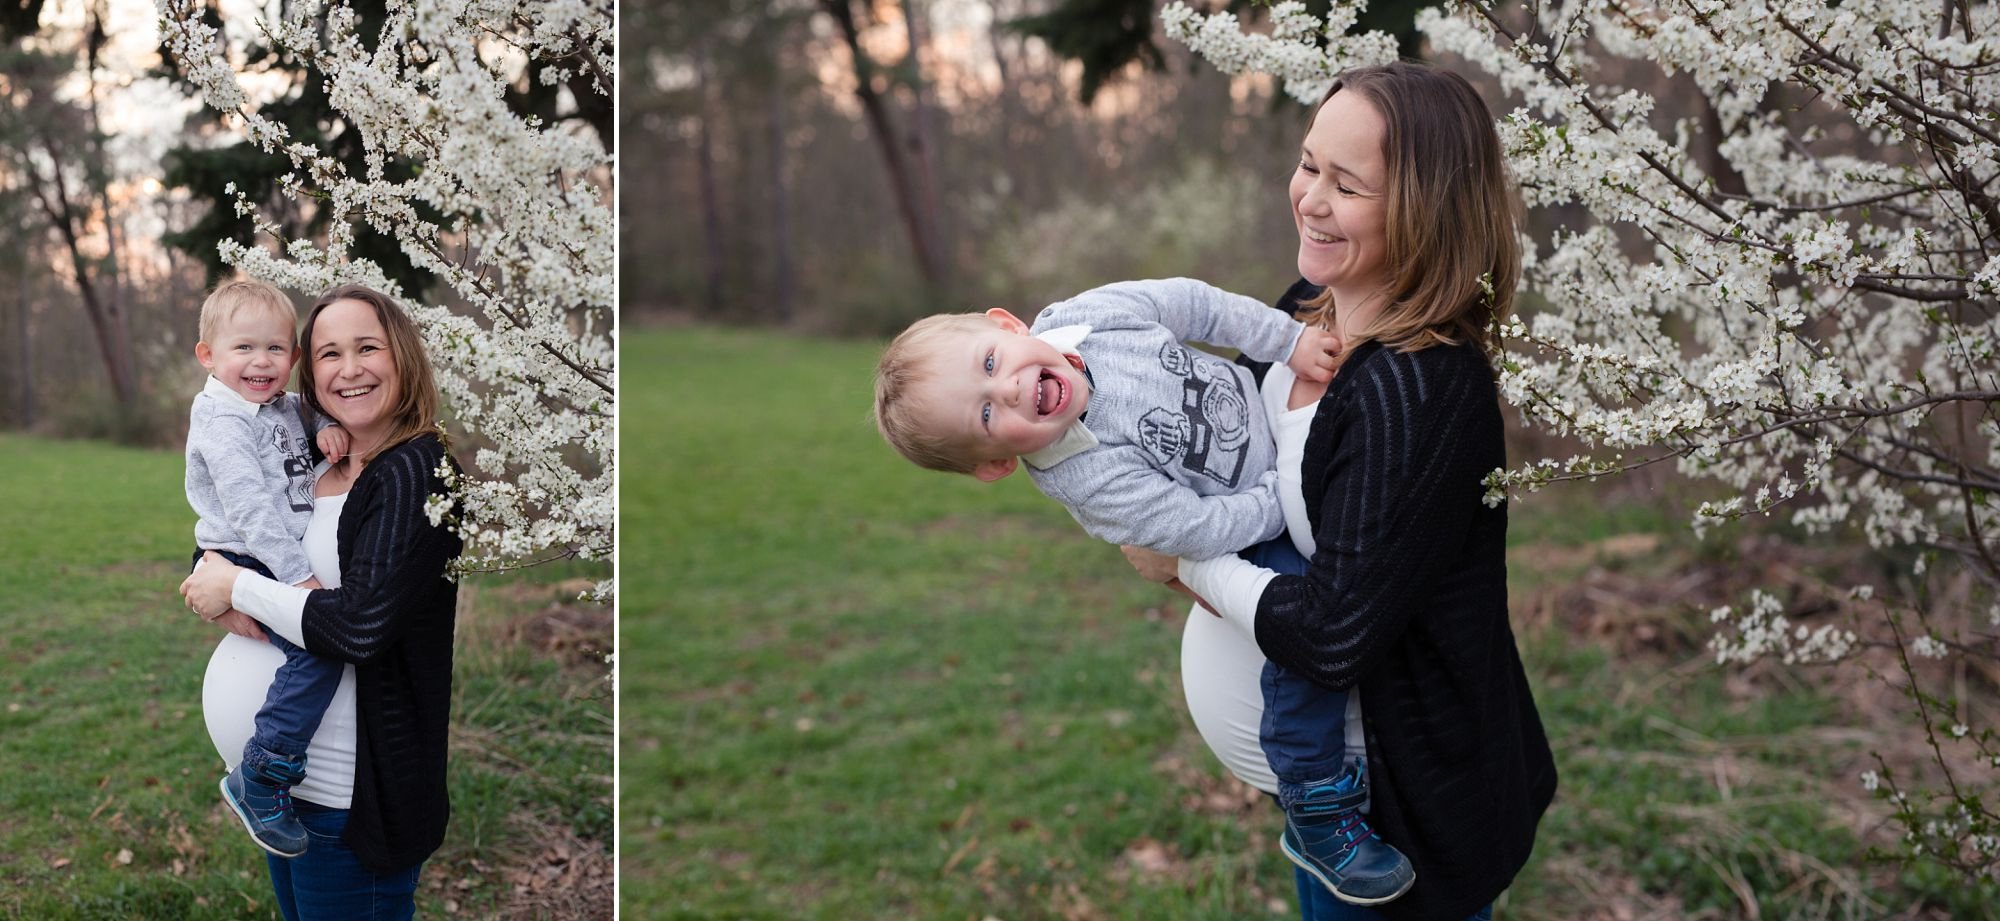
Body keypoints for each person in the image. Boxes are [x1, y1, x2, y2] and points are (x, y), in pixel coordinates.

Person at [1121, 62, 1558, 921]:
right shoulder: (1306, 310)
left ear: (1424, 210)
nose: (1310, 197)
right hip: (1321, 803)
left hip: (1392, 816)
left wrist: (1181, 557)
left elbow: (1333, 634)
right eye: (1308, 163)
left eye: (1346, 183)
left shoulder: (1422, 390)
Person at [872, 278, 1417, 904]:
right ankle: (1316, 800)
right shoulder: (1084, 476)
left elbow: (1196, 305)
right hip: (1247, 520)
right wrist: (1289, 495)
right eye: (988, 413)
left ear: (1007, 324)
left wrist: (1288, 341)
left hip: (1262, 409)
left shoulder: (1089, 317)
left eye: (991, 364)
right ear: (996, 464)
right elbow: (1197, 528)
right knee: (1301, 633)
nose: (1010, 388)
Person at [181, 283, 462, 921]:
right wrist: (207, 572)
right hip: (287, 799)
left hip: (348, 796)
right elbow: (241, 520)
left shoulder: (419, 470)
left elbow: (358, 629)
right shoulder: (312, 450)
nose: (349, 368)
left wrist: (239, 587)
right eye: (330, 353)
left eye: (368, 347)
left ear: (404, 357)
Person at [184, 279, 350, 858]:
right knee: (318, 648)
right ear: (209, 355)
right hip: (253, 552)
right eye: (244, 349)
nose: (262, 362)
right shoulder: (222, 420)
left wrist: (322, 424)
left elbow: (294, 418)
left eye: (276, 349)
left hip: (260, 553)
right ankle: (263, 772)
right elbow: (251, 509)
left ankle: (267, 769)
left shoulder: (276, 403)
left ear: (294, 357)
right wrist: (297, 581)